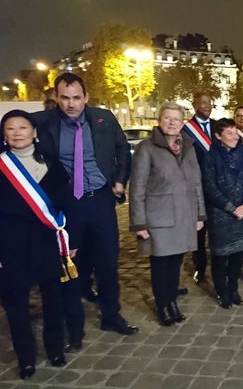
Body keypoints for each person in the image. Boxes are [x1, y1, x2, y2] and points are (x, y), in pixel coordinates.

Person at [34, 72, 138, 335]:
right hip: (68, 204)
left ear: (86, 97)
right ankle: (73, 321)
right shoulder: (43, 122)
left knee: (107, 261)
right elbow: (10, 127)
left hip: (101, 200)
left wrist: (120, 181)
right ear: (56, 97)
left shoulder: (103, 119)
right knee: (70, 264)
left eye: (77, 98)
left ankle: (111, 315)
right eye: (65, 98)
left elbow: (122, 149)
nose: (71, 104)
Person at [0, 110, 72, 379]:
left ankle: (55, 348)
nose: (17, 133)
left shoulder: (51, 163)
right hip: (10, 244)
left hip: (45, 240)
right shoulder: (2, 166)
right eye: (10, 128)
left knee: (53, 299)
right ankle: (26, 358)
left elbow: (65, 203)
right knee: (17, 304)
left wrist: (67, 239)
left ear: (35, 132)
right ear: (4, 134)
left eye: (22, 127)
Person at [129, 102, 206, 326]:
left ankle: (172, 301)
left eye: (176, 119)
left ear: (182, 123)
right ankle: (162, 305)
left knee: (175, 263)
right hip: (158, 219)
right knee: (161, 265)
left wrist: (200, 215)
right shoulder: (147, 148)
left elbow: (197, 183)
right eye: (167, 118)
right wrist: (139, 222)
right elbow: (137, 188)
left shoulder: (189, 147)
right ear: (159, 121)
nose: (172, 123)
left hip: (184, 215)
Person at [202, 118, 243, 308]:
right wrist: (231, 208)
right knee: (220, 256)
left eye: (235, 132)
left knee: (237, 256)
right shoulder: (210, 157)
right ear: (218, 136)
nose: (234, 137)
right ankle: (221, 291)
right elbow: (209, 187)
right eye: (229, 133)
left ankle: (233, 288)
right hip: (221, 216)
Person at [182, 91, 217, 285]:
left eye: (210, 103)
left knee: (215, 230)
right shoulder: (186, 129)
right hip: (195, 188)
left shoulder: (217, 126)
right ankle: (200, 268)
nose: (207, 106)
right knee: (198, 232)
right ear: (195, 104)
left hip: (215, 188)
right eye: (203, 103)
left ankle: (218, 266)